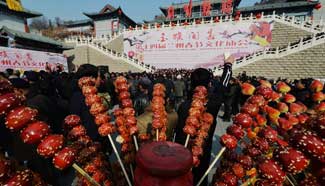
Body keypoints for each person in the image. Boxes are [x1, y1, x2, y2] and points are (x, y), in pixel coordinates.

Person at [175, 55, 234, 186]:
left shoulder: (183, 106)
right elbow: (222, 87)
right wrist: (228, 66)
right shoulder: (212, 105)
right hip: (201, 153)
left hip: (182, 154)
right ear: (209, 84)